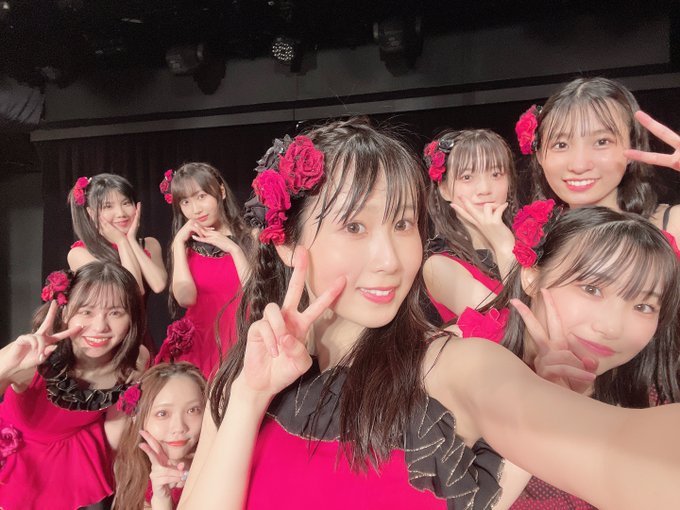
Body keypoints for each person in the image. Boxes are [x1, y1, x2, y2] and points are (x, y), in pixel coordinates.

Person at [178, 118, 680, 510]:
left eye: (402, 224)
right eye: (354, 227)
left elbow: (627, 453)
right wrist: (248, 397)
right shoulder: (247, 374)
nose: (390, 260)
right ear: (287, 242)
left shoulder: (454, 366)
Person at [465, 202, 680, 508]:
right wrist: (542, 403)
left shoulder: (652, 402)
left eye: (643, 306)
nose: (611, 327)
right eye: (591, 289)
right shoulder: (461, 369)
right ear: (532, 278)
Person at [0, 261, 149, 510]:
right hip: (15, 451)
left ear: (132, 317)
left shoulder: (136, 361)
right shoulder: (28, 357)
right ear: (65, 312)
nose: (100, 327)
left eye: (115, 313)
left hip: (68, 453)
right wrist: (7, 366)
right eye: (86, 312)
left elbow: (116, 435)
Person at [517, 76, 680, 242]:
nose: (579, 165)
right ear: (539, 155)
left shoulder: (673, 226)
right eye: (561, 145)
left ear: (633, 146)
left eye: (602, 142)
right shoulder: (533, 240)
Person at [161, 163, 253, 378]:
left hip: (242, 342)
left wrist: (233, 248)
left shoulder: (251, 237)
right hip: (202, 347)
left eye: (201, 196)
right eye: (185, 202)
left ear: (221, 191)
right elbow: (186, 299)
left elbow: (255, 293)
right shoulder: (185, 247)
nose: (196, 209)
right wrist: (177, 245)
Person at [423, 130, 517, 323]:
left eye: (496, 174)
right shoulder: (439, 266)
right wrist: (503, 245)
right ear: (444, 189)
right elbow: (508, 327)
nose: (484, 189)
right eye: (467, 177)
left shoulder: (533, 242)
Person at [113, 362, 206, 510]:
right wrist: (162, 499)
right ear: (138, 419)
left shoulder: (223, 466)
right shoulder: (134, 474)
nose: (179, 428)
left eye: (192, 410)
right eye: (162, 413)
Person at [67, 173, 167, 295]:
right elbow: (133, 292)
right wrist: (122, 241)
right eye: (108, 206)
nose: (121, 213)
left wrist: (131, 240)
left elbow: (159, 285)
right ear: (91, 213)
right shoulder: (80, 254)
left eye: (126, 203)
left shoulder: (150, 244)